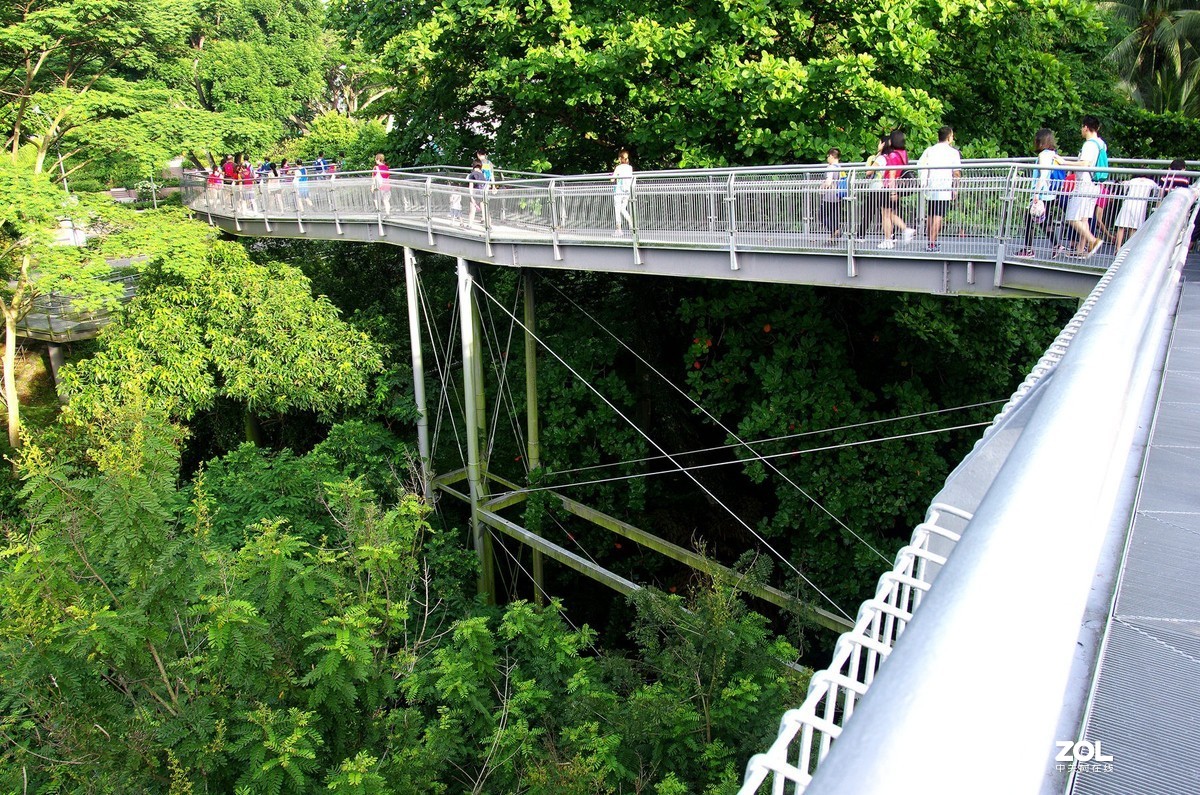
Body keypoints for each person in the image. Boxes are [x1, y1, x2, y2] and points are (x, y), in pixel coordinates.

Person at [1016, 128, 1066, 259]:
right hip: (1050, 193)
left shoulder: (1043, 155)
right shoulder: (1053, 154)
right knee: (1043, 221)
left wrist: (1036, 194)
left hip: (1042, 194)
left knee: (1029, 220)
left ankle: (1028, 250)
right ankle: (1056, 245)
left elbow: (1043, 174)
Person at [1063, 115, 1107, 258]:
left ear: (1086, 128)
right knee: (1084, 218)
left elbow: (1085, 163)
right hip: (1095, 185)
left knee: (1072, 218)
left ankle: (1093, 240)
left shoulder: (1089, 144)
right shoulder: (1101, 144)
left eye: (1082, 127)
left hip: (1084, 185)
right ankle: (1080, 250)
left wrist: (1064, 163)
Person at [916, 126, 961, 251]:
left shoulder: (930, 150)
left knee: (931, 214)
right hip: (944, 186)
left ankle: (929, 241)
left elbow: (921, 164)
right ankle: (932, 243)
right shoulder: (953, 152)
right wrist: (955, 188)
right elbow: (956, 173)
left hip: (930, 185)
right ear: (948, 137)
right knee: (938, 215)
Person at [880, 129, 915, 249]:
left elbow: (892, 173)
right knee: (890, 214)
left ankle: (888, 239)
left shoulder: (893, 155)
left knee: (885, 214)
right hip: (897, 186)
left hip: (888, 187)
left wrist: (892, 191)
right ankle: (905, 230)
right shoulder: (903, 153)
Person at [856, 135, 891, 239]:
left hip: (876, 187)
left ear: (883, 144)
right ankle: (891, 235)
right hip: (886, 187)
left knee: (869, 211)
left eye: (879, 143)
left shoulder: (880, 158)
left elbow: (868, 172)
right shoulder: (890, 157)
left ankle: (860, 235)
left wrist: (871, 163)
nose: (878, 145)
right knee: (885, 213)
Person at [819, 148, 844, 241]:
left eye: (828, 156)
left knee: (822, 215)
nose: (827, 159)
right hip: (838, 195)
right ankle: (832, 237)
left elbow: (828, 182)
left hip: (829, 196)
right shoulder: (840, 167)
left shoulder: (831, 167)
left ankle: (835, 230)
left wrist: (822, 187)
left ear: (831, 156)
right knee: (834, 216)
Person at [611, 148, 634, 235]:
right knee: (623, 208)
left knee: (617, 209)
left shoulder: (618, 167)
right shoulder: (630, 168)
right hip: (627, 190)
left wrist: (612, 176)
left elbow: (612, 180)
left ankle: (618, 230)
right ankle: (631, 223)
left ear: (620, 158)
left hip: (619, 190)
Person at [467, 159, 486, 224]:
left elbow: (471, 186)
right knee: (484, 211)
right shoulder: (483, 174)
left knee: (472, 210)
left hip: (475, 194)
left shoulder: (472, 174)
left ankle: (470, 224)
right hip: (482, 194)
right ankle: (488, 226)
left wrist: (471, 197)